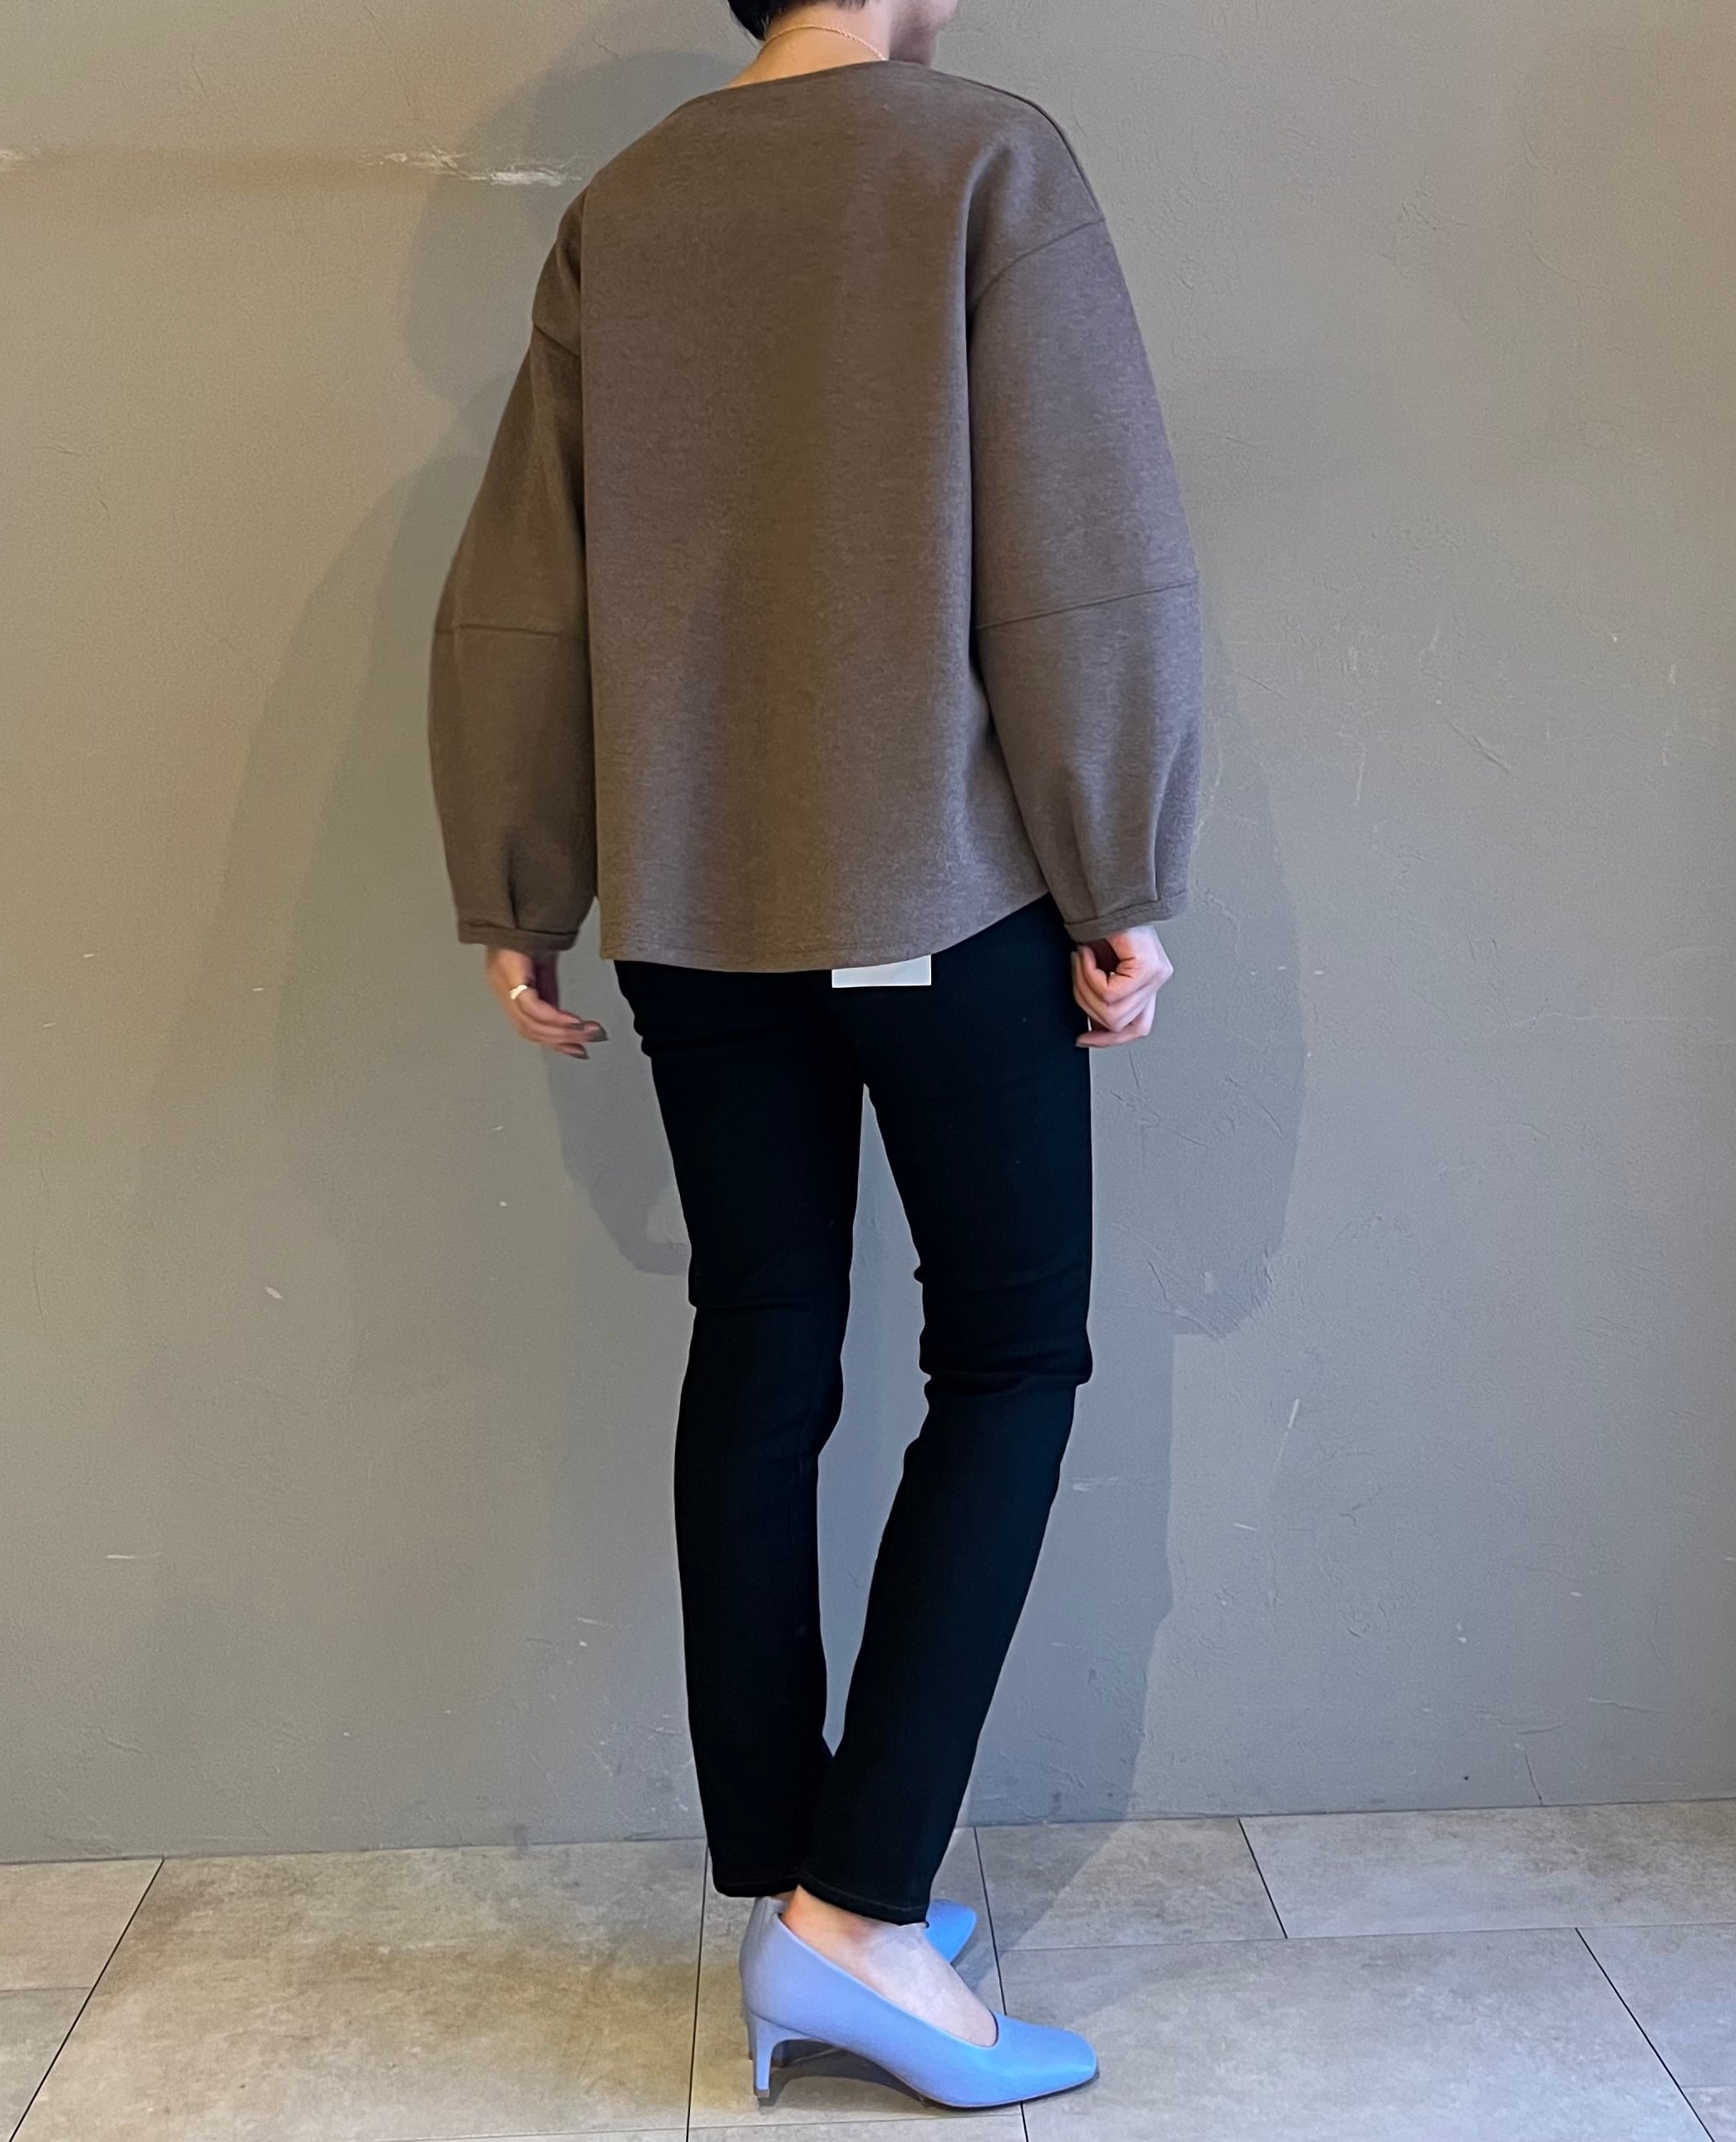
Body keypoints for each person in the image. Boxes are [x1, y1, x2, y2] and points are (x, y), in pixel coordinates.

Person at [428, 0, 1201, 2106]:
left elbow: (524, 578)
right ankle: (856, 1915)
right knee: (1008, 1358)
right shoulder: (980, 160)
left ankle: (797, 1882)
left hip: (698, 910)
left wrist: (522, 883)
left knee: (762, 1337)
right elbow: (1082, 549)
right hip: (945, 891)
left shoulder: (628, 204)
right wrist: (1116, 868)